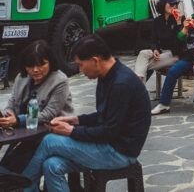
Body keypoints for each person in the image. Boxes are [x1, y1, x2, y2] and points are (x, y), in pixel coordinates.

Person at [20, 35, 151, 192]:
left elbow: (108, 132)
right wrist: (74, 120)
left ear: (95, 60)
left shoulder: (120, 84)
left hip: (119, 152)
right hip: (108, 146)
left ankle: (24, 187)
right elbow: (104, 115)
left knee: (49, 141)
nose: (80, 70)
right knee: (51, 165)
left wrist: (70, 131)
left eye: (81, 65)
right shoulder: (107, 76)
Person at [0, 41, 73, 173]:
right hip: (24, 133)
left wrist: (18, 120)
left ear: (50, 62)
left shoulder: (59, 81)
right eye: (30, 66)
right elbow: (12, 103)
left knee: (16, 170)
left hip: (49, 133)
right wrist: (6, 116)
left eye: (41, 64)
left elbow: (48, 114)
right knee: (6, 166)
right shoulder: (21, 78)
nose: (35, 70)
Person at [133, 0, 186, 83]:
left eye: (176, 4)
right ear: (163, 4)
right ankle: (139, 88)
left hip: (174, 54)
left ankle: (137, 89)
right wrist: (155, 50)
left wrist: (178, 23)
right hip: (161, 52)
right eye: (171, 3)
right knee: (143, 53)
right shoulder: (157, 21)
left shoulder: (181, 19)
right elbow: (153, 41)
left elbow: (179, 44)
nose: (174, 6)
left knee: (143, 65)